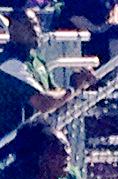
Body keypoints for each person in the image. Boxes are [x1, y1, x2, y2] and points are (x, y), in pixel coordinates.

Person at [0, 7, 95, 140]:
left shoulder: (37, 61)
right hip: (8, 143)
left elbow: (56, 97)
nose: (35, 30)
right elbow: (43, 102)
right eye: (27, 25)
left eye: (36, 24)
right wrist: (72, 88)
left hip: (30, 142)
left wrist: (81, 82)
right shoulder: (8, 63)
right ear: (12, 30)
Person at [52, 0, 118, 64]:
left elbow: (114, 6)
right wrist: (96, 29)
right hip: (81, 33)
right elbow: (72, 15)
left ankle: (115, 70)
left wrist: (113, 19)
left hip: (105, 29)